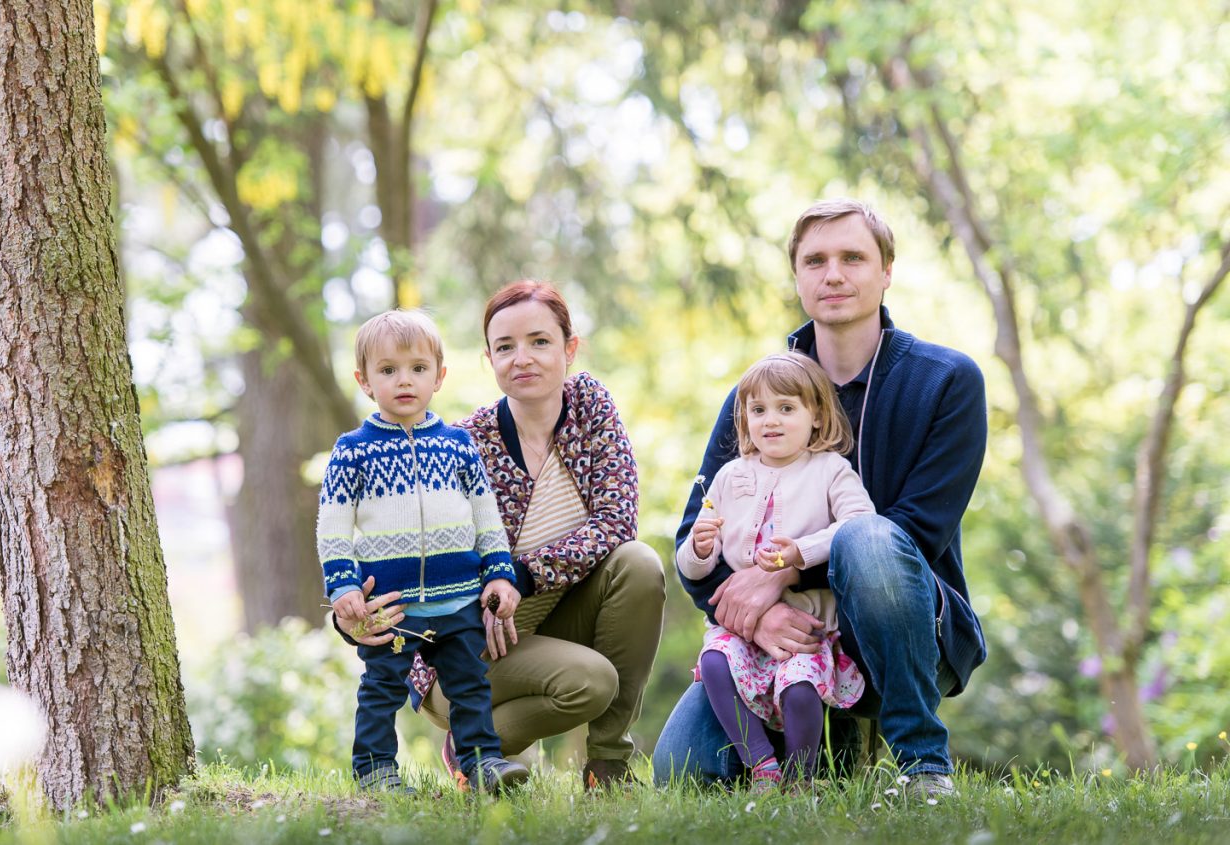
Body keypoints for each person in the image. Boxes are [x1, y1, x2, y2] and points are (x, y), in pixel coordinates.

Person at [654, 198, 987, 799]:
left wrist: (778, 576)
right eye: (815, 261)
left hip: (901, 630)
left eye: (853, 257)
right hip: (777, 642)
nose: (833, 274)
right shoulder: (761, 395)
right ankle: (820, 747)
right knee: (685, 771)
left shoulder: (946, 380)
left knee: (870, 535)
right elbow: (694, 533)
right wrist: (760, 614)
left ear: (886, 271)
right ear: (798, 278)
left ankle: (922, 765)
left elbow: (918, 530)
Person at [339, 281, 666, 792]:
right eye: (506, 347)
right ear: (488, 357)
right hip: (470, 647)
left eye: (540, 341)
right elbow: (404, 540)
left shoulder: (590, 407)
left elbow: (616, 520)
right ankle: (471, 751)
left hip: (553, 617)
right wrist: (355, 608)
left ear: (569, 348)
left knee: (639, 563)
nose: (523, 359)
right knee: (592, 682)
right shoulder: (464, 443)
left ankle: (608, 769)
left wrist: (521, 576)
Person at [318, 309, 529, 794]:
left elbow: (486, 519)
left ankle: (482, 764)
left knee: (471, 685)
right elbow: (333, 527)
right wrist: (344, 584)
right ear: (365, 381)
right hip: (392, 608)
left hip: (458, 601)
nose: (404, 381)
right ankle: (374, 768)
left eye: (417, 368)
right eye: (387, 370)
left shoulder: (458, 446)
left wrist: (500, 574)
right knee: (383, 686)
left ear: (439, 375)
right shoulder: (353, 450)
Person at [676, 352, 875, 791]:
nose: (772, 420)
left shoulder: (830, 470)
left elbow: (861, 524)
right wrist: (700, 548)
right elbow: (690, 566)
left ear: (817, 417)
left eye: (787, 409)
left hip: (806, 625)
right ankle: (762, 765)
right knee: (713, 662)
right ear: (744, 420)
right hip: (744, 628)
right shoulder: (729, 475)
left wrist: (801, 553)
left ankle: (801, 777)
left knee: (799, 687)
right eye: (759, 410)